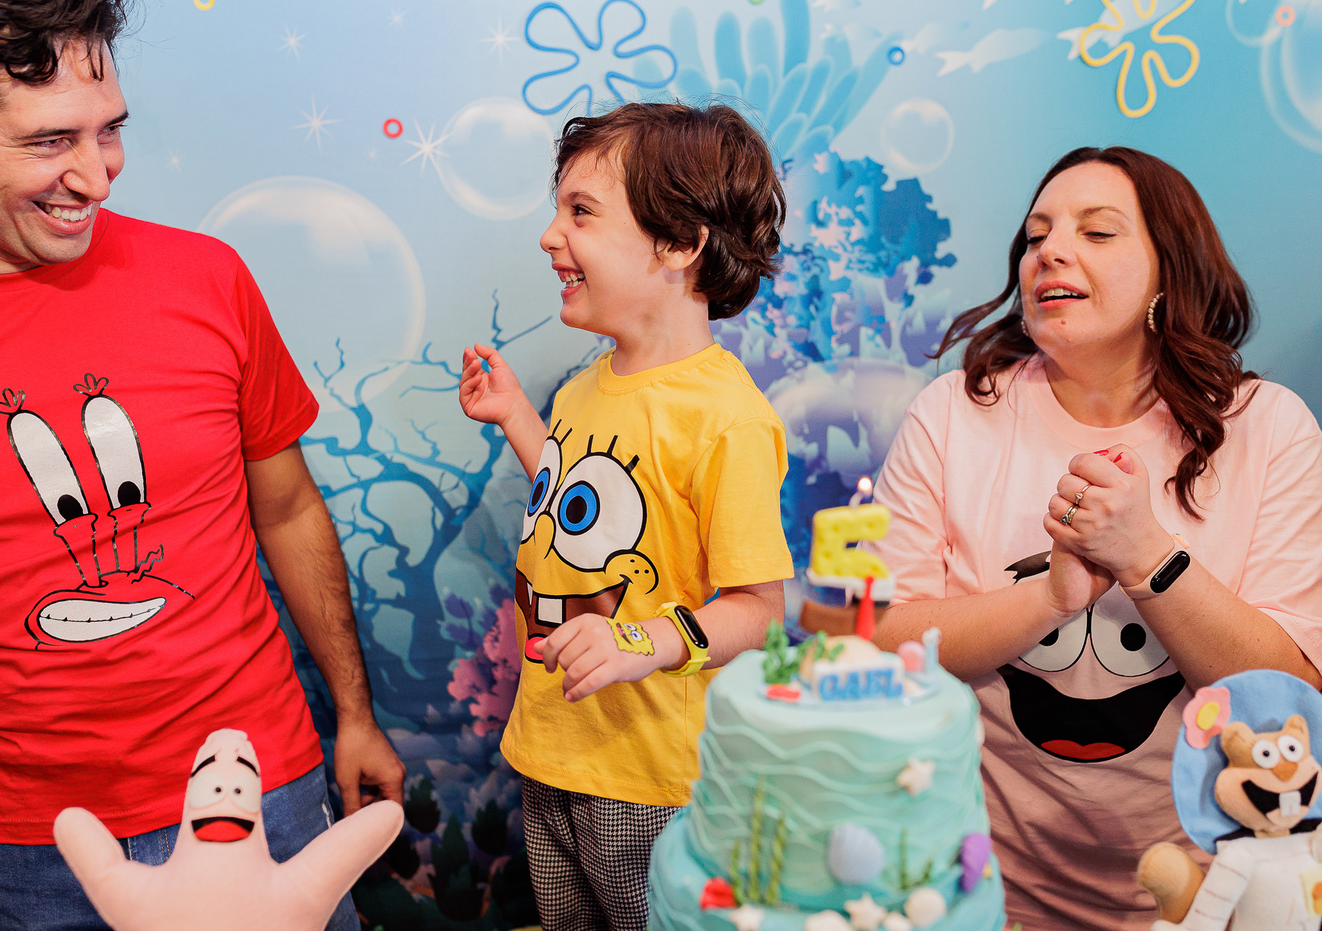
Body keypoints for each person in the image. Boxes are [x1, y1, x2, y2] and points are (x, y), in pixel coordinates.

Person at [0, 0, 404, 928]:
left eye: (109, 130)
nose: (97, 175)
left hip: (255, 785)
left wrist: (354, 710)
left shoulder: (206, 279)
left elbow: (288, 509)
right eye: (49, 140)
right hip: (19, 840)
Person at [866, 145, 1322, 930]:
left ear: (1170, 269)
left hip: (1209, 892)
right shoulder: (952, 413)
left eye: (1097, 231)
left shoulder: (1269, 427)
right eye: (1035, 234)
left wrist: (1148, 559)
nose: (1050, 250)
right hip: (977, 880)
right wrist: (1049, 597)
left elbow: (1290, 697)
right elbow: (881, 639)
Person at [458, 102, 793, 931]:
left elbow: (759, 611)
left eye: (581, 212)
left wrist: (639, 642)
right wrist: (518, 420)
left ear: (679, 244)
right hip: (552, 747)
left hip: (650, 776)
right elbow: (584, 509)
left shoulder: (726, 419)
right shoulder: (583, 387)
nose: (550, 236)